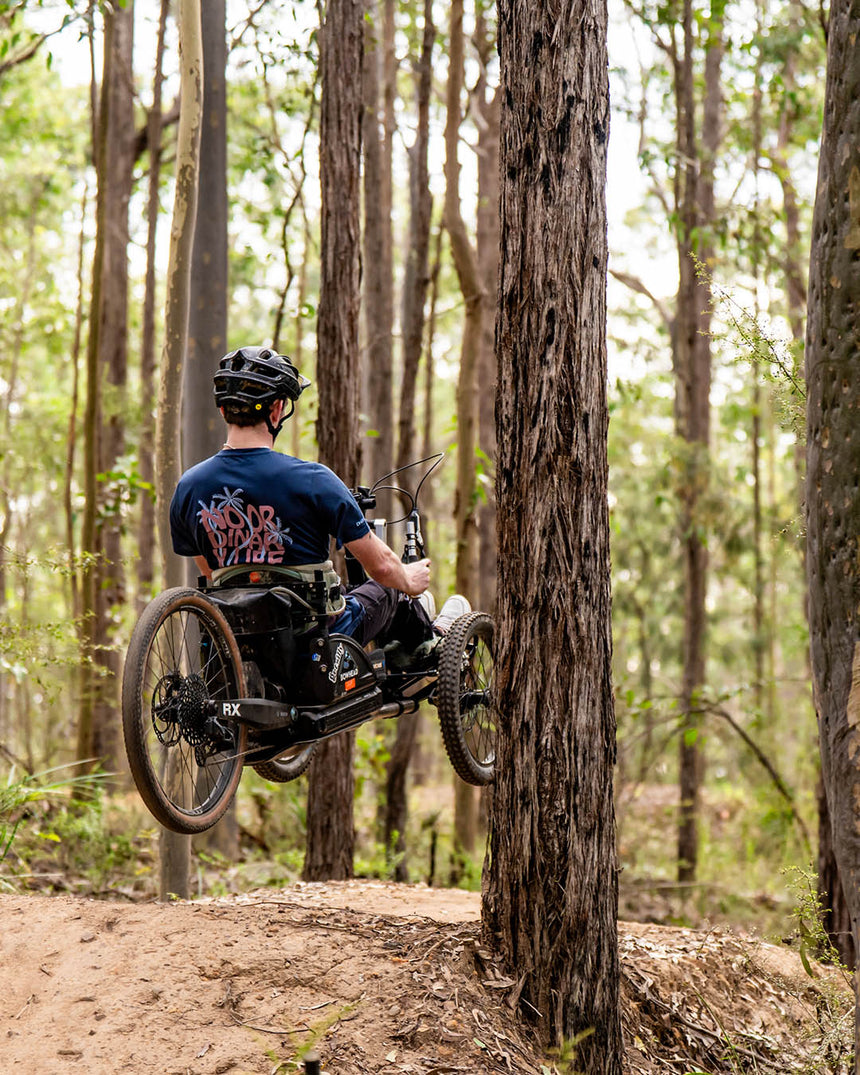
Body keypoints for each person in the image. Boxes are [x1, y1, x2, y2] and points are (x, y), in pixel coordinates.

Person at [169, 346, 469, 651]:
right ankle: (431, 642)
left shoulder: (189, 487)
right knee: (389, 589)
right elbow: (380, 567)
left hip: (237, 640)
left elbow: (211, 572)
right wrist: (408, 577)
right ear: (277, 409)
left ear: (223, 410)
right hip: (312, 643)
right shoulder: (312, 479)